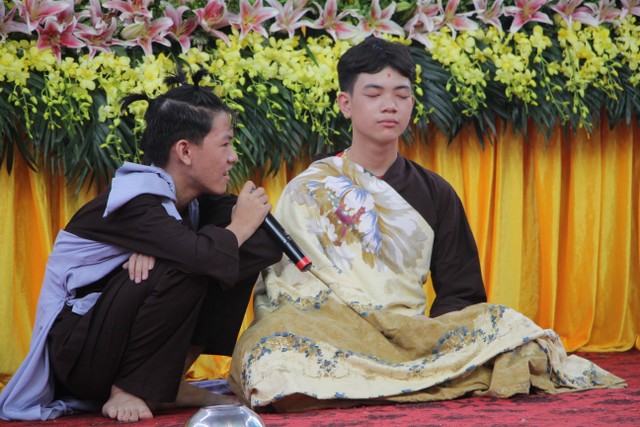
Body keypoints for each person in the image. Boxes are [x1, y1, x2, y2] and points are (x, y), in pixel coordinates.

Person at [227, 37, 625, 412]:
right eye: (374, 95)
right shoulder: (307, 189)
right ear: (345, 104)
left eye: (401, 96)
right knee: (267, 352)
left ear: (412, 104)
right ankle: (403, 377)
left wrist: (427, 338)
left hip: (409, 335)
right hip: (330, 334)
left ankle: (384, 377)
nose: (390, 106)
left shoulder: (436, 192)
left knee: (512, 331)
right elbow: (282, 289)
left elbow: (461, 291)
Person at [0, 69, 282, 422]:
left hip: (112, 344)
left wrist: (226, 233)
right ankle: (130, 388)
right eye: (225, 144)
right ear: (185, 151)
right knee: (193, 260)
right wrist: (235, 227)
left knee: (221, 250)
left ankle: (167, 380)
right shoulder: (135, 199)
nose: (233, 157)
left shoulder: (193, 199)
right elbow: (202, 255)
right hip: (77, 354)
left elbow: (264, 244)